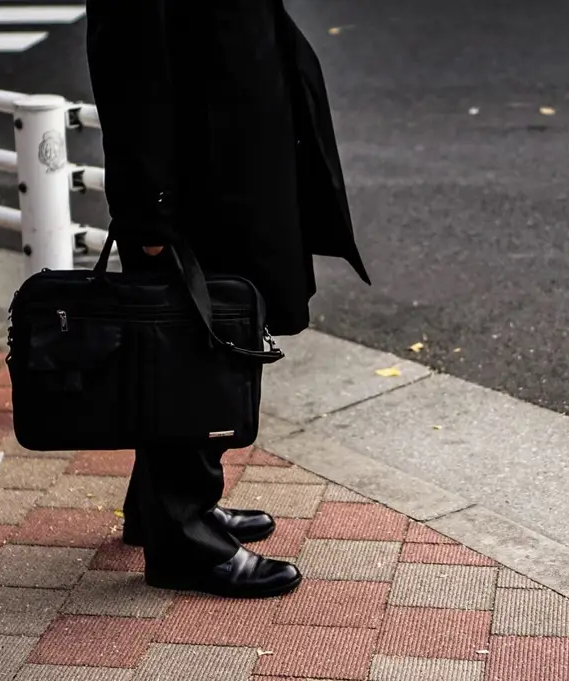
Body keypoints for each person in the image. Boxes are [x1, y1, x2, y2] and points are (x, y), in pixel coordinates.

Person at [85, 0, 370, 599]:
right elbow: (127, 59)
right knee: (187, 342)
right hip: (191, 182)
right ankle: (184, 540)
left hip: (226, 165)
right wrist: (146, 212)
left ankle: (162, 508)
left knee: (199, 340)